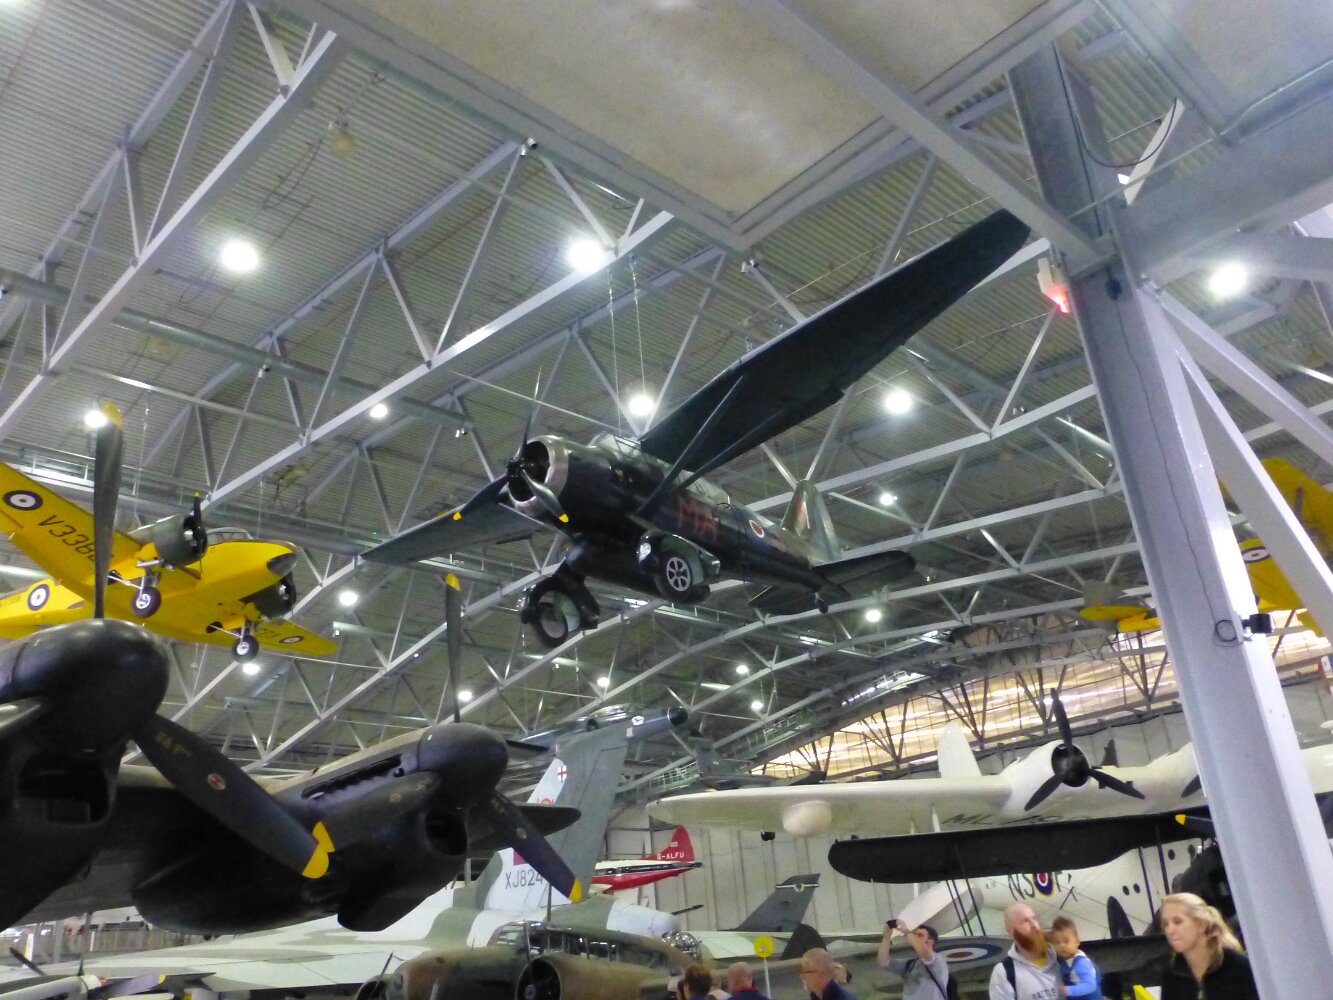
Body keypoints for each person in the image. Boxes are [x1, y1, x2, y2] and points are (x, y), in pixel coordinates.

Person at [1158, 892, 1259, 1000]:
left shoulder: (1239, 967)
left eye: (1178, 922)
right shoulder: (1171, 976)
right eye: (1166, 924)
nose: (1170, 930)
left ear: (1201, 925)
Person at [988, 903, 1063, 1000]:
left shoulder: (1063, 958)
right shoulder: (1004, 972)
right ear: (1010, 931)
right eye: (1026, 921)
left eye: (1034, 918)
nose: (1034, 925)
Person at [878, 919, 950, 1000]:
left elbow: (924, 952)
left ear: (930, 942)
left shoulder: (938, 961)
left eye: (920, 935)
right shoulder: (910, 964)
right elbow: (883, 962)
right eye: (915, 935)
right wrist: (886, 937)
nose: (915, 938)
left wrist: (906, 932)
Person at [1049, 916, 1100, 999]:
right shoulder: (1065, 963)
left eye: (1066, 941)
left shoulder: (1082, 963)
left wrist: (1068, 990)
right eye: (1057, 942)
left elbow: (1090, 985)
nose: (1062, 945)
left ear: (1077, 942)